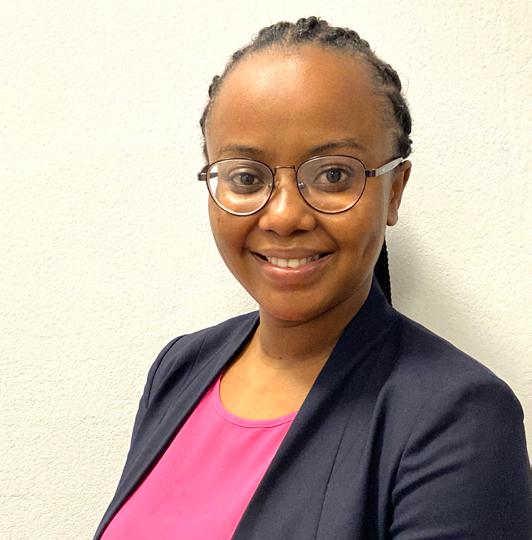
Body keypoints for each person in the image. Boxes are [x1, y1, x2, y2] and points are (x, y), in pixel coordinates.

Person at [94, 16, 530, 539]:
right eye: (246, 177)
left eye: (333, 175)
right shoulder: (180, 368)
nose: (283, 216)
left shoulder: (457, 419)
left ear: (394, 190)